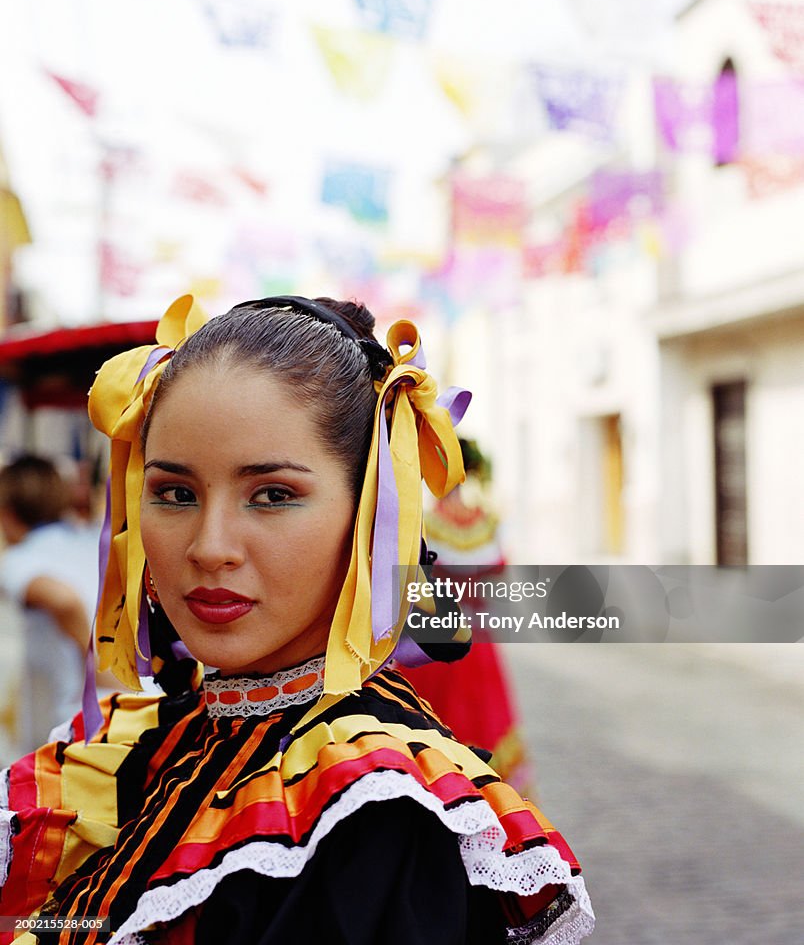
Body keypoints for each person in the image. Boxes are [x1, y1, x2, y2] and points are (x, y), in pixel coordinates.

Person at [0, 294, 594, 944]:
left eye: (273, 495)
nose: (209, 546)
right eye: (175, 493)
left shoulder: (367, 809)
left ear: (369, 508)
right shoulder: (156, 743)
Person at [397, 437, 532, 793]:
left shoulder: (423, 523)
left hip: (432, 638)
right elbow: (499, 569)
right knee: (482, 716)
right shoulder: (487, 522)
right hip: (478, 636)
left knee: (432, 720)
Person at [0, 454, 99, 752]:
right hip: (127, 705)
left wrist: (99, 664)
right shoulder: (90, 539)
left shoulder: (20, 558)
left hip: (80, 720)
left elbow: (64, 601)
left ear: (7, 513)